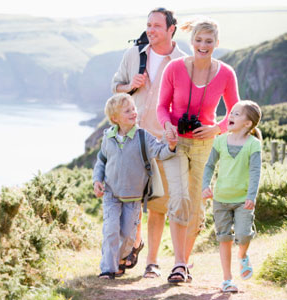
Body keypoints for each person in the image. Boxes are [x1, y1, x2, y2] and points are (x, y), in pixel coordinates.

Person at [157, 16, 240, 283]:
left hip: (206, 144)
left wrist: (216, 128)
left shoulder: (226, 73)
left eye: (208, 41)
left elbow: (235, 113)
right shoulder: (174, 69)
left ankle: (183, 263)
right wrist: (168, 127)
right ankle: (179, 264)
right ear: (191, 41)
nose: (203, 45)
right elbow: (162, 108)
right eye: (198, 40)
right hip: (176, 143)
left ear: (216, 43)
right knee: (179, 199)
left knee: (195, 207)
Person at [111, 8, 186, 278]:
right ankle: (133, 244)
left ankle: (151, 263)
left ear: (171, 29)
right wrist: (130, 85)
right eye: (148, 25)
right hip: (131, 139)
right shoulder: (134, 55)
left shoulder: (182, 62)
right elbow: (116, 87)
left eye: (156, 26)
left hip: (161, 143)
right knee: (129, 200)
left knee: (157, 204)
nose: (151, 30)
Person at [93, 93, 177, 279]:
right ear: (115, 118)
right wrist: (97, 180)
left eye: (133, 108)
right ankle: (108, 268)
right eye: (127, 110)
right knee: (110, 229)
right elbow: (101, 160)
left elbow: (159, 151)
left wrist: (170, 146)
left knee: (128, 235)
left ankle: (122, 259)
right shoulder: (109, 136)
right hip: (111, 194)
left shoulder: (143, 137)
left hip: (133, 197)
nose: (133, 112)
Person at [202, 100, 262, 292]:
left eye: (237, 114)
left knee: (244, 235)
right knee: (224, 238)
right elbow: (210, 165)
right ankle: (227, 279)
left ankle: (242, 256)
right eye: (231, 113)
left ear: (248, 123)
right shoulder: (219, 140)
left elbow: (255, 172)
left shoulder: (253, 145)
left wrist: (252, 196)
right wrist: (206, 185)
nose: (231, 116)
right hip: (220, 199)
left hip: (243, 200)